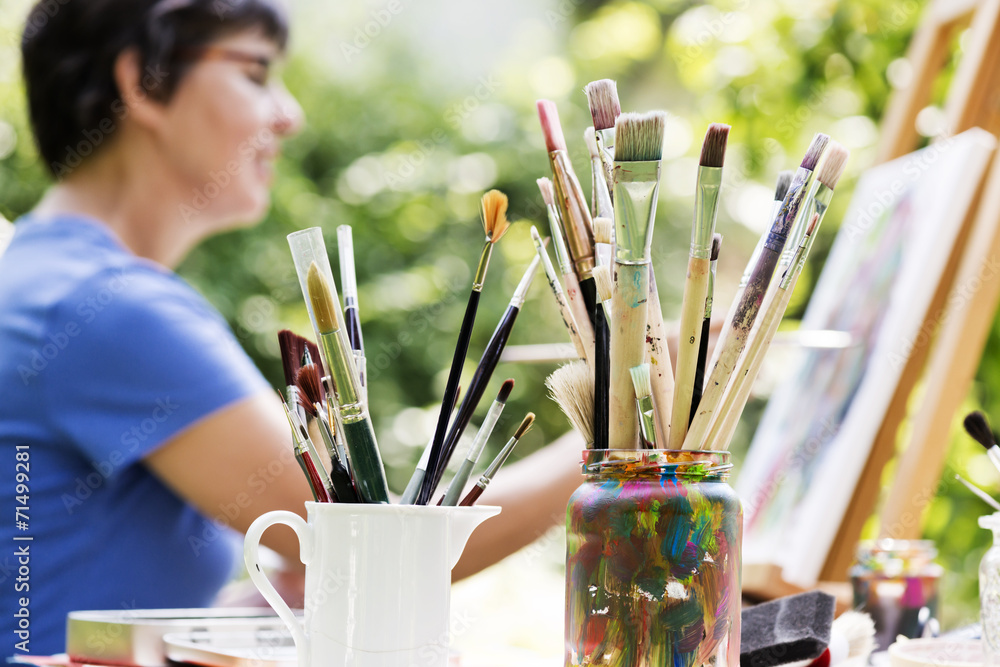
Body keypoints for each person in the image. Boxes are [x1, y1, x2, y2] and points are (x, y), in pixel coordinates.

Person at [0, 0, 584, 655]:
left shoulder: (41, 280)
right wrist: (611, 429)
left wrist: (248, 615)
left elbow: (83, 594)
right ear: (145, 80)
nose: (290, 114)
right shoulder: (107, 307)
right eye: (255, 73)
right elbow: (385, 556)